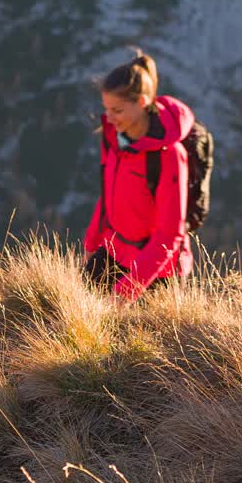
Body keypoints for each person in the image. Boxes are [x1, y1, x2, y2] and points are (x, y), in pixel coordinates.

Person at [83, 49, 195, 301]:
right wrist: (91, 245)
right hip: (115, 251)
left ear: (142, 103)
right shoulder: (114, 140)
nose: (109, 118)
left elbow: (170, 234)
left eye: (118, 110)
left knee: (137, 339)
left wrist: (128, 289)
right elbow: (108, 196)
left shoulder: (169, 155)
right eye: (106, 109)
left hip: (157, 271)